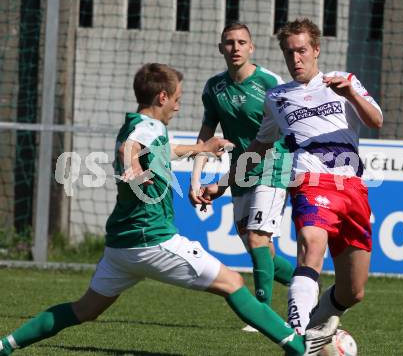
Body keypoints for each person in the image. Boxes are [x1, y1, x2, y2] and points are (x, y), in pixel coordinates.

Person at [0, 63, 306, 356]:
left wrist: (201, 148)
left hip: (121, 247)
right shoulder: (144, 129)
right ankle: (297, 347)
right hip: (153, 240)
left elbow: (162, 149)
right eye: (176, 99)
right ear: (162, 97)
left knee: (85, 309)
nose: (177, 106)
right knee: (233, 283)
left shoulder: (142, 125)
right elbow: (129, 147)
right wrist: (132, 168)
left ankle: (7, 344)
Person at [200, 18, 383, 352]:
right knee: (311, 245)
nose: (295, 59)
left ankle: (316, 328)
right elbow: (258, 147)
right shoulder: (278, 97)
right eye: (289, 52)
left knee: (353, 291)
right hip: (309, 181)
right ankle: (296, 338)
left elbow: (376, 120)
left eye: (301, 51)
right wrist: (223, 184)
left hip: (353, 186)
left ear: (315, 50)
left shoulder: (344, 82)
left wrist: (352, 95)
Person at [189, 23, 295, 323]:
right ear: (221, 47)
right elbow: (206, 136)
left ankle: (262, 315)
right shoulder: (214, 88)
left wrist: (220, 184)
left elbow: (281, 132)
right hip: (240, 171)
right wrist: (196, 181)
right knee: (260, 249)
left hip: (274, 165)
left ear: (252, 48)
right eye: (229, 42)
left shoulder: (269, 82)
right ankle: (306, 281)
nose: (235, 47)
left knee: (258, 238)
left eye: (241, 42)